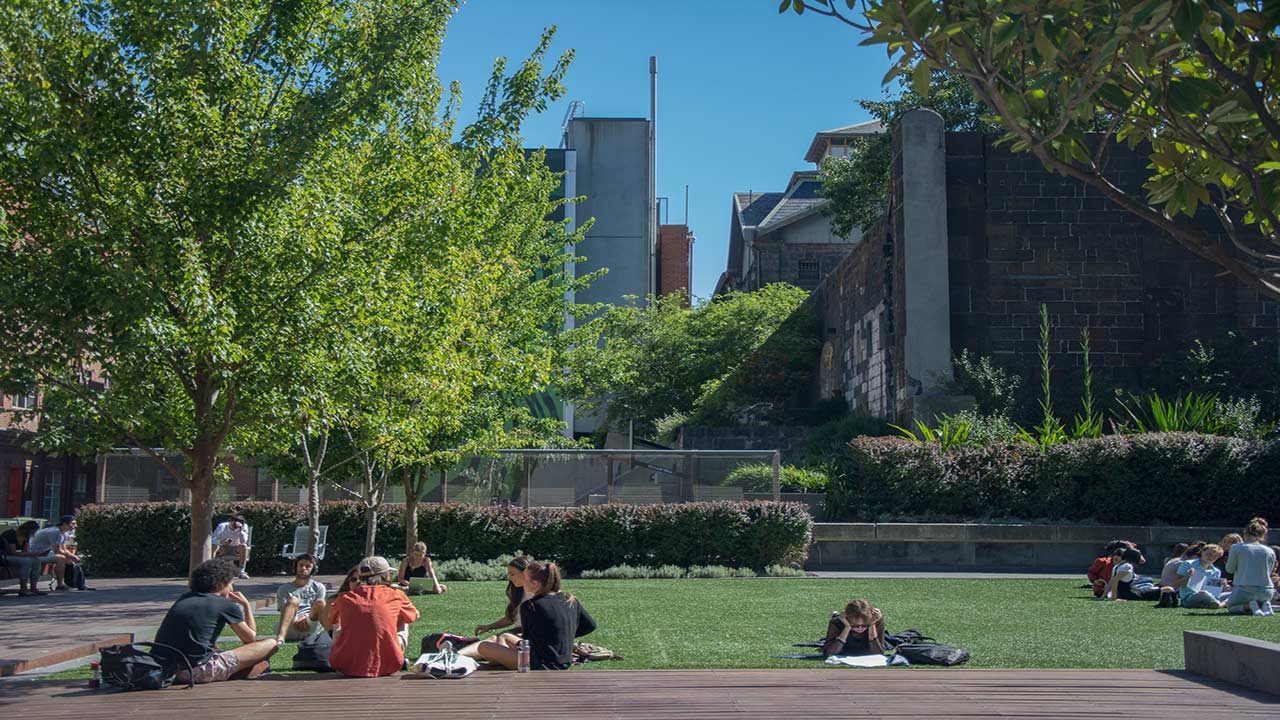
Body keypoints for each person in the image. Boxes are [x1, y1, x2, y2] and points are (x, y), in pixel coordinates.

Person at [152, 558, 299, 684]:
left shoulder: (184, 598)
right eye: (231, 582)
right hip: (195, 670)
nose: (232, 587)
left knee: (245, 659)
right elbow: (250, 638)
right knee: (270, 645)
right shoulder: (224, 604)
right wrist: (246, 606)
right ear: (221, 584)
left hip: (163, 668)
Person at [476, 561, 596, 670]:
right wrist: (564, 636)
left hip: (539, 664)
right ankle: (501, 664)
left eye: (525, 579)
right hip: (565, 661)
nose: (523, 582)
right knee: (505, 636)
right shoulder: (570, 599)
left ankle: (501, 665)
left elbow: (527, 643)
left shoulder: (531, 605)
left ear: (535, 583)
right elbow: (590, 626)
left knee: (484, 646)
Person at [326, 556, 419, 677]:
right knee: (403, 618)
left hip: (345, 665)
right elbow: (414, 616)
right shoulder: (396, 595)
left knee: (338, 624)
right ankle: (394, 651)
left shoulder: (344, 598)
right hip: (390, 664)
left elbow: (331, 621)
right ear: (384, 576)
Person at [454, 556, 532, 659]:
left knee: (498, 640)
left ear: (525, 572)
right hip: (519, 631)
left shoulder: (538, 593)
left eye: (512, 574)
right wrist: (489, 626)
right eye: (508, 574)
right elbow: (510, 618)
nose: (509, 577)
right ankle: (455, 656)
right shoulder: (516, 592)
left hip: (531, 635)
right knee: (492, 639)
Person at [1224, 518, 1276, 616]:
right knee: (1260, 598)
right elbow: (1269, 572)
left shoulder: (1236, 547)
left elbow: (1229, 569)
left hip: (1244, 589)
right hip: (1267, 590)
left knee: (1231, 608)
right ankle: (1264, 604)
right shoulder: (1270, 551)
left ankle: (1250, 606)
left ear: (1245, 532)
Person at [276, 553, 328, 642]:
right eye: (301, 565)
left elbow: (318, 610)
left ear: (313, 569)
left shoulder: (319, 587)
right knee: (293, 600)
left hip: (310, 622)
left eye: (308, 566)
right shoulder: (283, 589)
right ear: (296, 566)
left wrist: (305, 617)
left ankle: (330, 635)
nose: (303, 568)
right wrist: (297, 619)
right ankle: (280, 638)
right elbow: (283, 611)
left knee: (321, 603)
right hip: (290, 624)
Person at [1, 520, 58, 595]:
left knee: (36, 561)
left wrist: (36, 554)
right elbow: (13, 552)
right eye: (33, 531)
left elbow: (25, 551)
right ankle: (23, 588)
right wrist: (33, 554)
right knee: (26, 561)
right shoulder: (11, 534)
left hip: (13, 556)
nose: (33, 534)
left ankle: (34, 587)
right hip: (4, 556)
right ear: (27, 530)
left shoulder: (26, 536)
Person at [28, 515, 84, 591]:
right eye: (73, 524)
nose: (75, 526)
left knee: (68, 560)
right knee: (61, 558)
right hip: (34, 554)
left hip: (45, 553)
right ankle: (60, 585)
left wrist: (72, 557)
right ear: (64, 524)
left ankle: (72, 582)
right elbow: (57, 551)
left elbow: (63, 549)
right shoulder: (55, 532)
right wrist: (73, 557)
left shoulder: (65, 533)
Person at [1177, 544, 1229, 610]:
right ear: (1202, 552)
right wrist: (1188, 577)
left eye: (1215, 556)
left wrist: (1223, 587)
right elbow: (1176, 584)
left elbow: (1214, 591)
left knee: (1232, 593)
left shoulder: (1216, 571)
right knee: (1203, 593)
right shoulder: (1188, 564)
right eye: (1209, 554)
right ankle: (1218, 604)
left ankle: (1215, 604)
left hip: (1211, 596)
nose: (1211, 557)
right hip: (1189, 598)